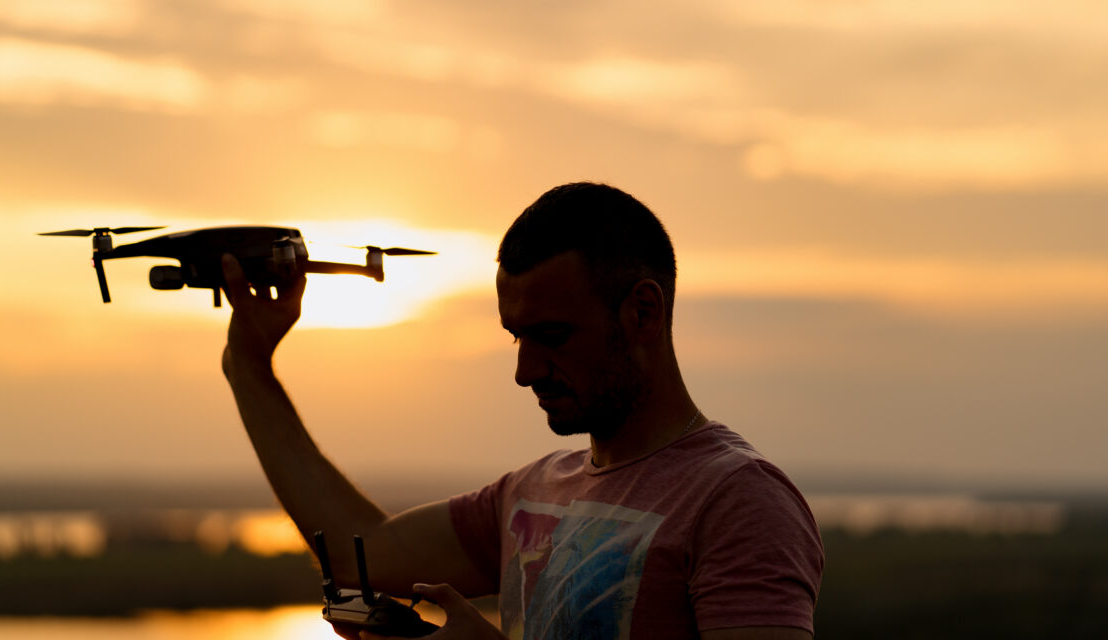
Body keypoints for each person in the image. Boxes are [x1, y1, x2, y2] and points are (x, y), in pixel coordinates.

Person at [220, 182, 824, 639]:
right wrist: (249, 366)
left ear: (643, 312)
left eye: (553, 335)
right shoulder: (532, 494)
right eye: (516, 336)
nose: (524, 371)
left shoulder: (738, 501)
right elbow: (363, 551)